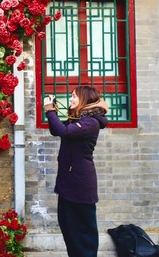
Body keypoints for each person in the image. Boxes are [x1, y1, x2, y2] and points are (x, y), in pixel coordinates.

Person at [43, 86, 109, 257]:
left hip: (80, 185)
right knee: (69, 229)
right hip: (68, 183)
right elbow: (55, 130)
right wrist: (53, 112)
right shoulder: (78, 119)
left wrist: (49, 110)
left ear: (84, 99)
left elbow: (62, 131)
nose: (70, 99)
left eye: (73, 96)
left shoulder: (91, 123)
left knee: (83, 234)